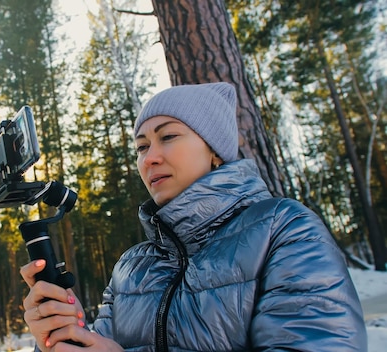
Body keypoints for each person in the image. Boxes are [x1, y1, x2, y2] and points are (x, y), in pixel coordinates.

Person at [20, 82, 367, 351]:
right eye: (141, 147)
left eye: (167, 136)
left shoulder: (284, 229)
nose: (149, 158)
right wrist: (61, 335)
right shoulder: (130, 270)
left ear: (214, 150)